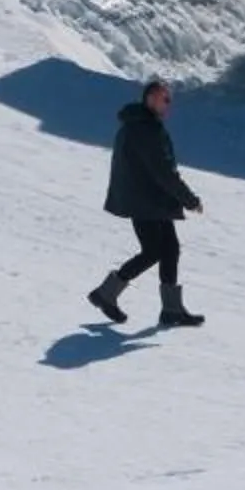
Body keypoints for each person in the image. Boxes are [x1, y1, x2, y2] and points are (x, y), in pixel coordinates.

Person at [87, 78, 205, 329]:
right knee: (154, 251)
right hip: (146, 201)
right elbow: (163, 171)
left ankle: (171, 309)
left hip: (148, 200)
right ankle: (106, 293)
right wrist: (189, 200)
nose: (168, 104)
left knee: (169, 248)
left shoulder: (140, 125)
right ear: (150, 99)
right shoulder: (145, 130)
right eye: (165, 98)